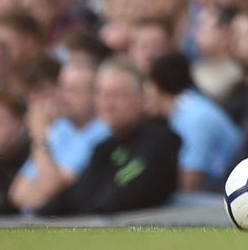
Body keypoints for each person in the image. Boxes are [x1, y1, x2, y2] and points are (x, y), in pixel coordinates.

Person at [38, 60, 181, 215]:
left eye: (116, 95)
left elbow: (114, 200)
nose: (107, 104)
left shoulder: (158, 143)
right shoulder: (106, 146)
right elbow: (74, 196)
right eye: (101, 94)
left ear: (142, 98)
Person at [9, 62, 110, 212]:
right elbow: (17, 194)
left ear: (94, 95)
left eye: (73, 90)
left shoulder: (101, 134)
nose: (63, 97)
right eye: (61, 88)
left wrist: (39, 137)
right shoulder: (60, 128)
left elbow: (51, 189)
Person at [147, 51, 243, 192]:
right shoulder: (185, 107)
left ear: (155, 87)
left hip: (230, 195)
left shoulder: (194, 117)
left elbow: (190, 184)